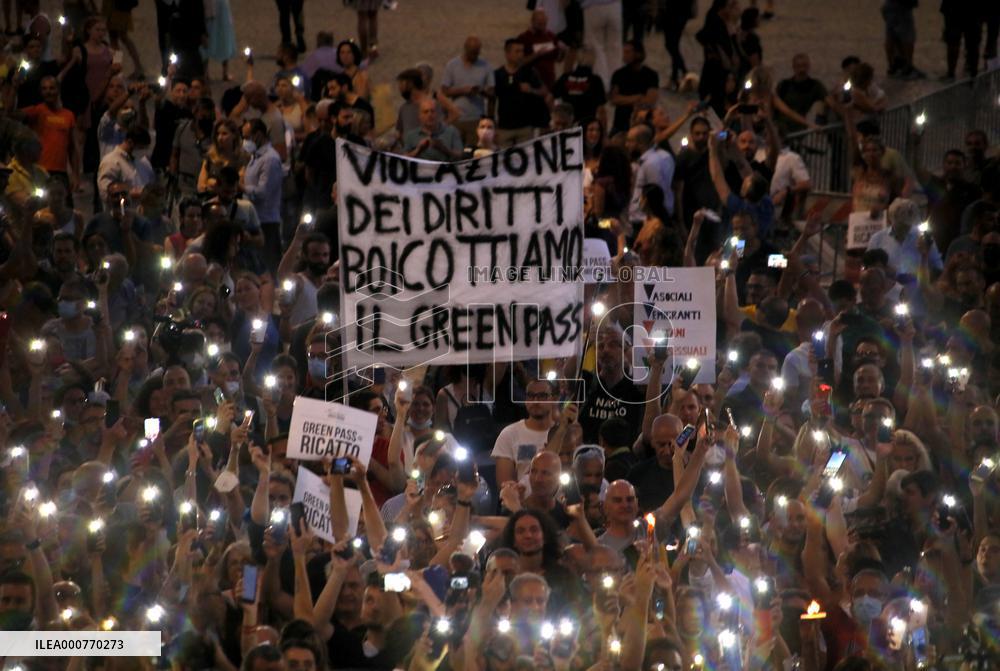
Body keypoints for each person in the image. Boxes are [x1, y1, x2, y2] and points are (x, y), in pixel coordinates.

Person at [240, 118, 283, 272]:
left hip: (266, 222)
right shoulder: (254, 157)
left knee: (267, 268)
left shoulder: (270, 159)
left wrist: (242, 188)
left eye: (247, 137)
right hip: (253, 219)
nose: (245, 141)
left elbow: (263, 193)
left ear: (258, 135)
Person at [491, 38, 549, 147]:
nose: (520, 54)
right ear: (507, 53)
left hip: (525, 128)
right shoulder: (498, 74)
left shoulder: (529, 72)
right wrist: (493, 125)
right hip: (504, 128)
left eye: (522, 51)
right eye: (517, 51)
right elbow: (492, 99)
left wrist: (531, 90)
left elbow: (544, 92)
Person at [441, 36, 495, 147]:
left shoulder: (486, 66)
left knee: (474, 152)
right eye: (472, 52)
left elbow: (492, 92)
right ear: (465, 49)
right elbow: (444, 90)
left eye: (477, 53)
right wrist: (462, 90)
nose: (474, 56)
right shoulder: (452, 65)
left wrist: (480, 91)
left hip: (476, 119)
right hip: (456, 119)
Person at [608, 40, 658, 137]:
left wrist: (623, 99)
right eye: (624, 52)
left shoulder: (651, 75)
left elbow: (650, 101)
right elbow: (614, 99)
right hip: (620, 124)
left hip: (643, 126)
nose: (624, 55)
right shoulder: (619, 74)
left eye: (628, 52)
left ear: (638, 54)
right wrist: (637, 98)